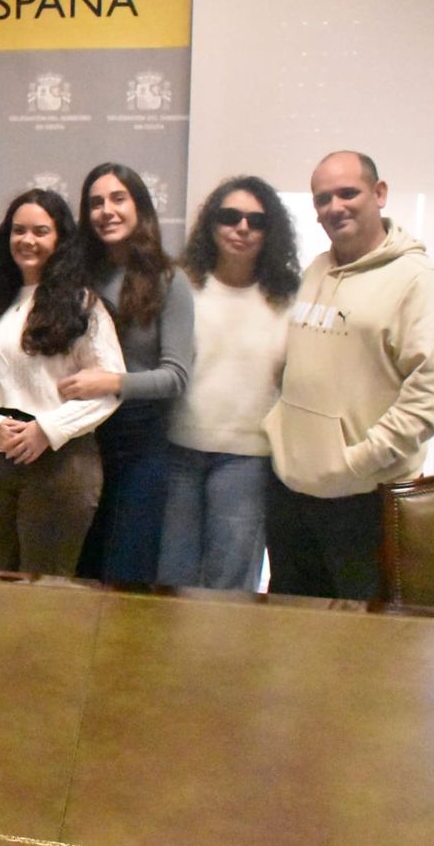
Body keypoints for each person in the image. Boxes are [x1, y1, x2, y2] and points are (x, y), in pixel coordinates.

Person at [264, 151, 434, 599]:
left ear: (380, 193)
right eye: (323, 198)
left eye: (348, 193)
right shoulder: (316, 268)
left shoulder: (418, 281)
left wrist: (360, 460)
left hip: (363, 499)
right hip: (293, 492)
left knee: (359, 641)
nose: (335, 207)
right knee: (290, 628)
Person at [0, 189, 124, 575]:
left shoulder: (84, 306)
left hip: (61, 467)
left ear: (60, 240)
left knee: (42, 596)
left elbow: (108, 387)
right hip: (1, 463)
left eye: (40, 231)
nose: (27, 240)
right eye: (19, 230)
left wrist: (47, 431)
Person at [157, 176, 301, 590]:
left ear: (270, 231)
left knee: (230, 585)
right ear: (211, 224)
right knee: (172, 581)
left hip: (247, 458)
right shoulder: (180, 286)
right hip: (179, 452)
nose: (242, 228)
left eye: (256, 221)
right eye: (230, 217)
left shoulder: (289, 296)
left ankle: (224, 658)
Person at [60, 163, 194, 584]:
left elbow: (176, 377)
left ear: (140, 207)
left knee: (126, 576)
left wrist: (112, 383)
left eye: (118, 199)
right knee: (79, 570)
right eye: (96, 203)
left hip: (140, 450)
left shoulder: (170, 280)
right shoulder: (74, 277)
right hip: (80, 443)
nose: (106, 211)